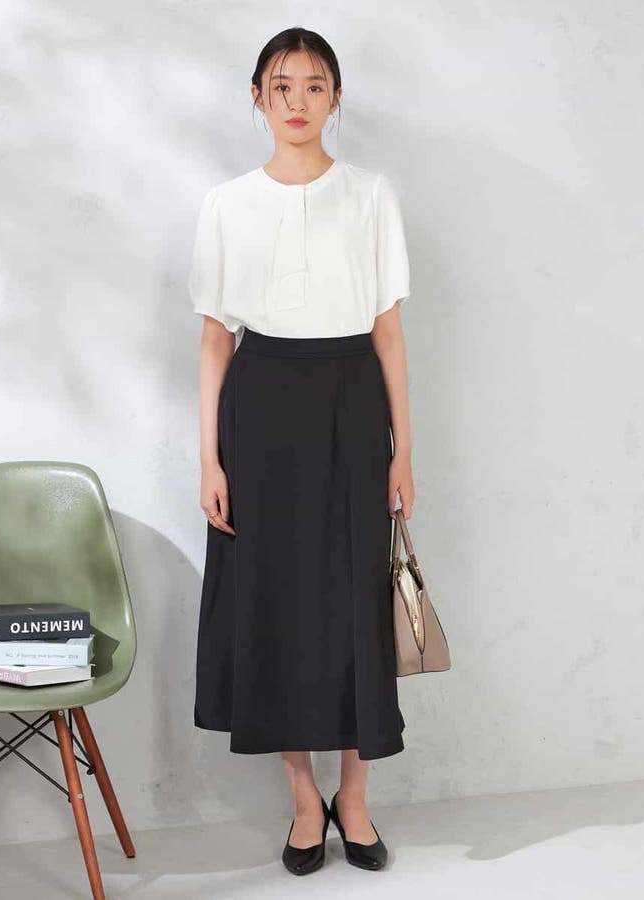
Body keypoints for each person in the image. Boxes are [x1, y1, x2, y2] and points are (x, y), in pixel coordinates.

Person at [189, 27, 416, 875]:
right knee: (274, 600)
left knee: (356, 598)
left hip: (353, 401)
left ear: (336, 98)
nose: (297, 102)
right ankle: (301, 801)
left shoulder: (371, 196)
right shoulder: (226, 204)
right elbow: (215, 340)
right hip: (260, 407)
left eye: (314, 86)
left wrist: (403, 450)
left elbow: (388, 331)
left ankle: (354, 798)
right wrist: (210, 460)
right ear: (257, 98)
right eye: (281, 86)